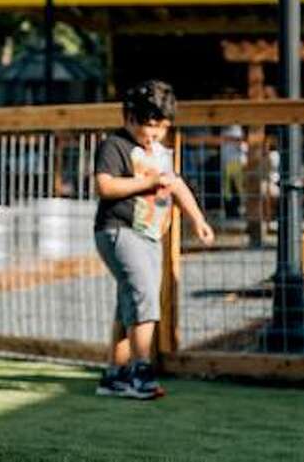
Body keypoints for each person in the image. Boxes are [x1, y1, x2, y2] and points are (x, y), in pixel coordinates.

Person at [93, 80, 215, 400]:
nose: (154, 135)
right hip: (118, 230)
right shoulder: (115, 146)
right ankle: (141, 370)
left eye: (161, 128)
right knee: (144, 293)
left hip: (148, 234)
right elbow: (105, 187)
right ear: (129, 118)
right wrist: (146, 181)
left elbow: (176, 186)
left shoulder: (159, 153)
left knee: (128, 303)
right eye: (149, 127)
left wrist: (198, 219)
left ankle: (114, 374)